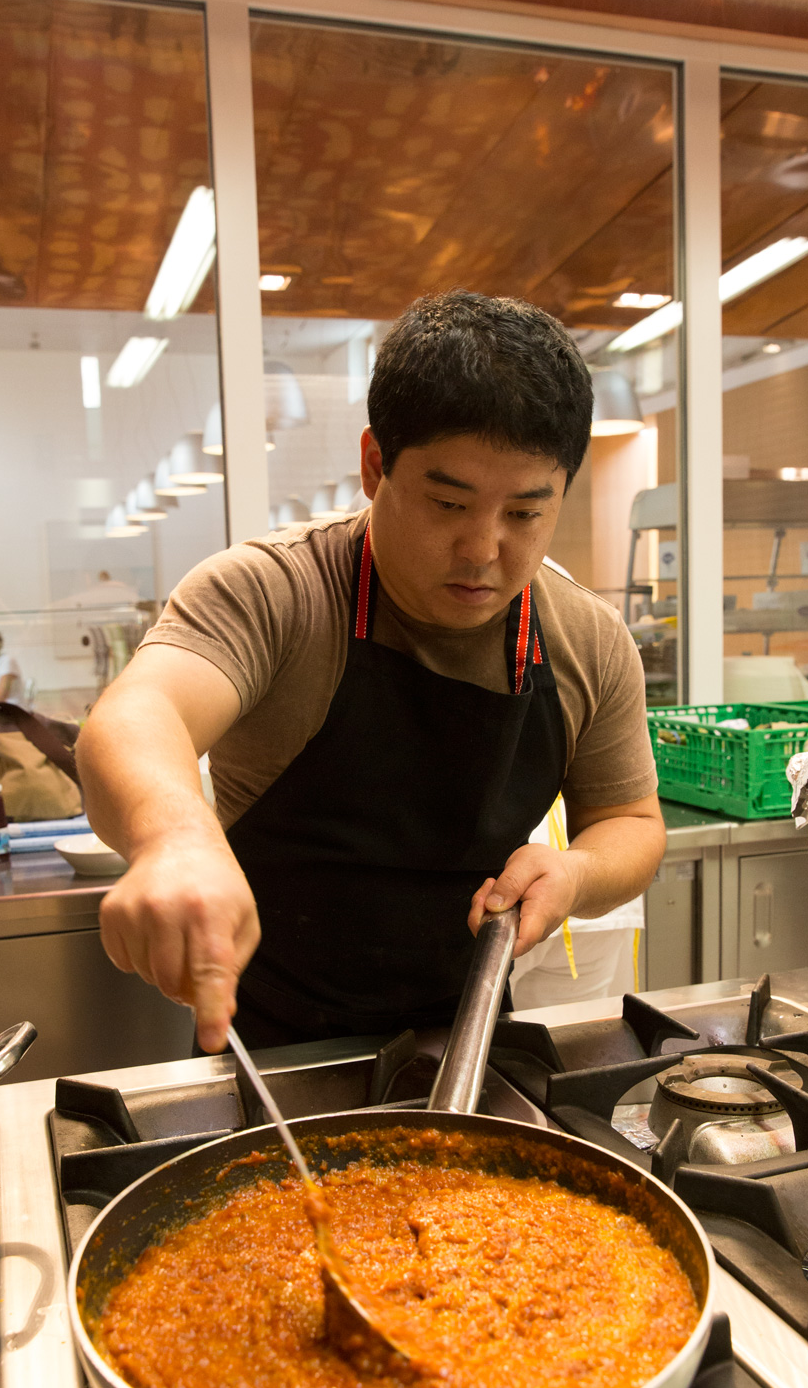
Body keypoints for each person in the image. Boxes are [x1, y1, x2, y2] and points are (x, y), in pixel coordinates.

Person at [77, 290, 666, 1054]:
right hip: (266, 1056)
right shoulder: (277, 591)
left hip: (472, 1048)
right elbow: (137, 716)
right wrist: (173, 838)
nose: (484, 549)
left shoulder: (587, 637)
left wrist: (578, 873)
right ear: (373, 465)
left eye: (525, 513)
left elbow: (631, 822)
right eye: (448, 502)